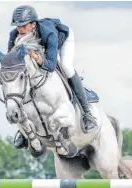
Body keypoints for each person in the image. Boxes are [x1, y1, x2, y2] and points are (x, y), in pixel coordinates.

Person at [6, 5, 98, 150]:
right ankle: (24, 130)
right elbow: (12, 62)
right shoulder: (14, 35)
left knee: (66, 66)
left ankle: (87, 114)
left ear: (33, 24)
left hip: (63, 41)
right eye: (17, 26)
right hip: (40, 51)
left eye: (23, 26)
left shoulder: (49, 34)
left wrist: (37, 59)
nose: (19, 29)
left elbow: (50, 65)